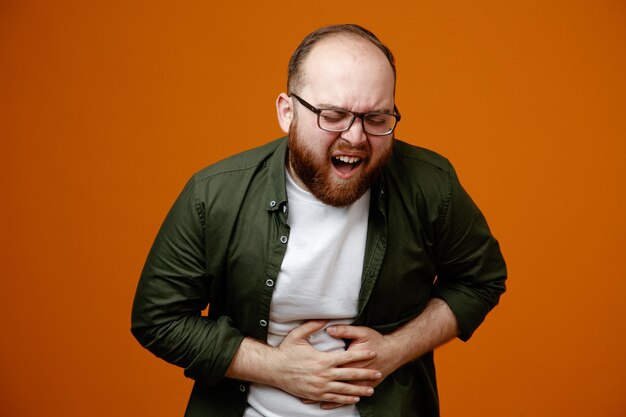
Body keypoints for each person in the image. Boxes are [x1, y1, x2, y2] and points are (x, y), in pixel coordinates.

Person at [131, 23, 506, 417]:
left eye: (377, 119)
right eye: (333, 115)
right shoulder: (214, 195)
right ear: (286, 112)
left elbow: (480, 280)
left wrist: (395, 349)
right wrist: (275, 368)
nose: (357, 137)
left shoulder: (431, 184)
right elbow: (158, 319)